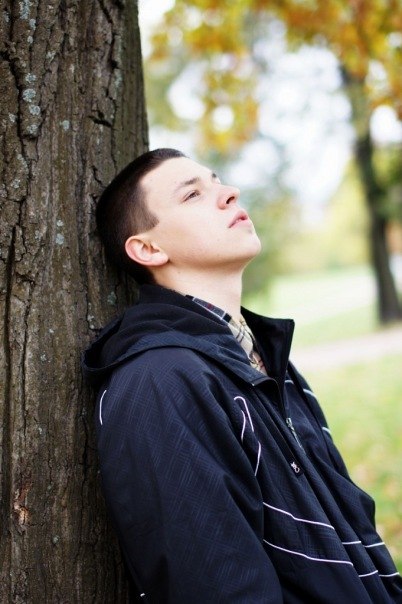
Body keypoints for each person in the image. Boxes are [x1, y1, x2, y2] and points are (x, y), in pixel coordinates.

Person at [83, 148, 402, 603]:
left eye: (217, 181)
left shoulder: (264, 357)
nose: (229, 193)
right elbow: (219, 586)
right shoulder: (159, 383)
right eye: (192, 195)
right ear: (148, 249)